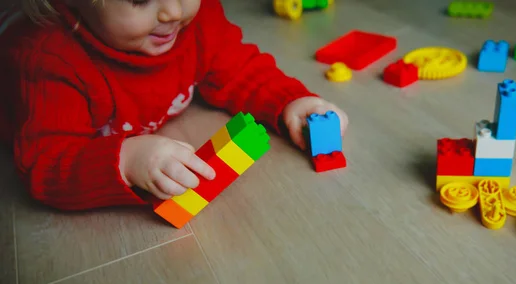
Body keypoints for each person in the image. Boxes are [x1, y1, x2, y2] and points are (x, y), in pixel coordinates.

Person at [0, 0, 348, 210]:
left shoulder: (198, 20)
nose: (173, 11)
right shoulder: (47, 60)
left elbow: (240, 68)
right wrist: (124, 160)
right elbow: (46, 162)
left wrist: (290, 100)